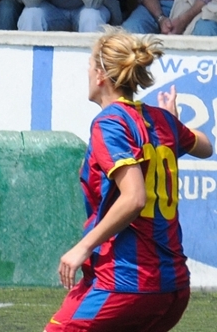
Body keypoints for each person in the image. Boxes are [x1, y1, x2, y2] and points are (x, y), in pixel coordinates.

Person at [45, 27, 213, 332]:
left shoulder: (109, 123)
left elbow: (134, 198)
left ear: (100, 75)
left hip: (127, 282)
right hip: (173, 287)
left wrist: (82, 247)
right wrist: (173, 122)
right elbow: (206, 146)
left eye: (89, 66)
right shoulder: (161, 120)